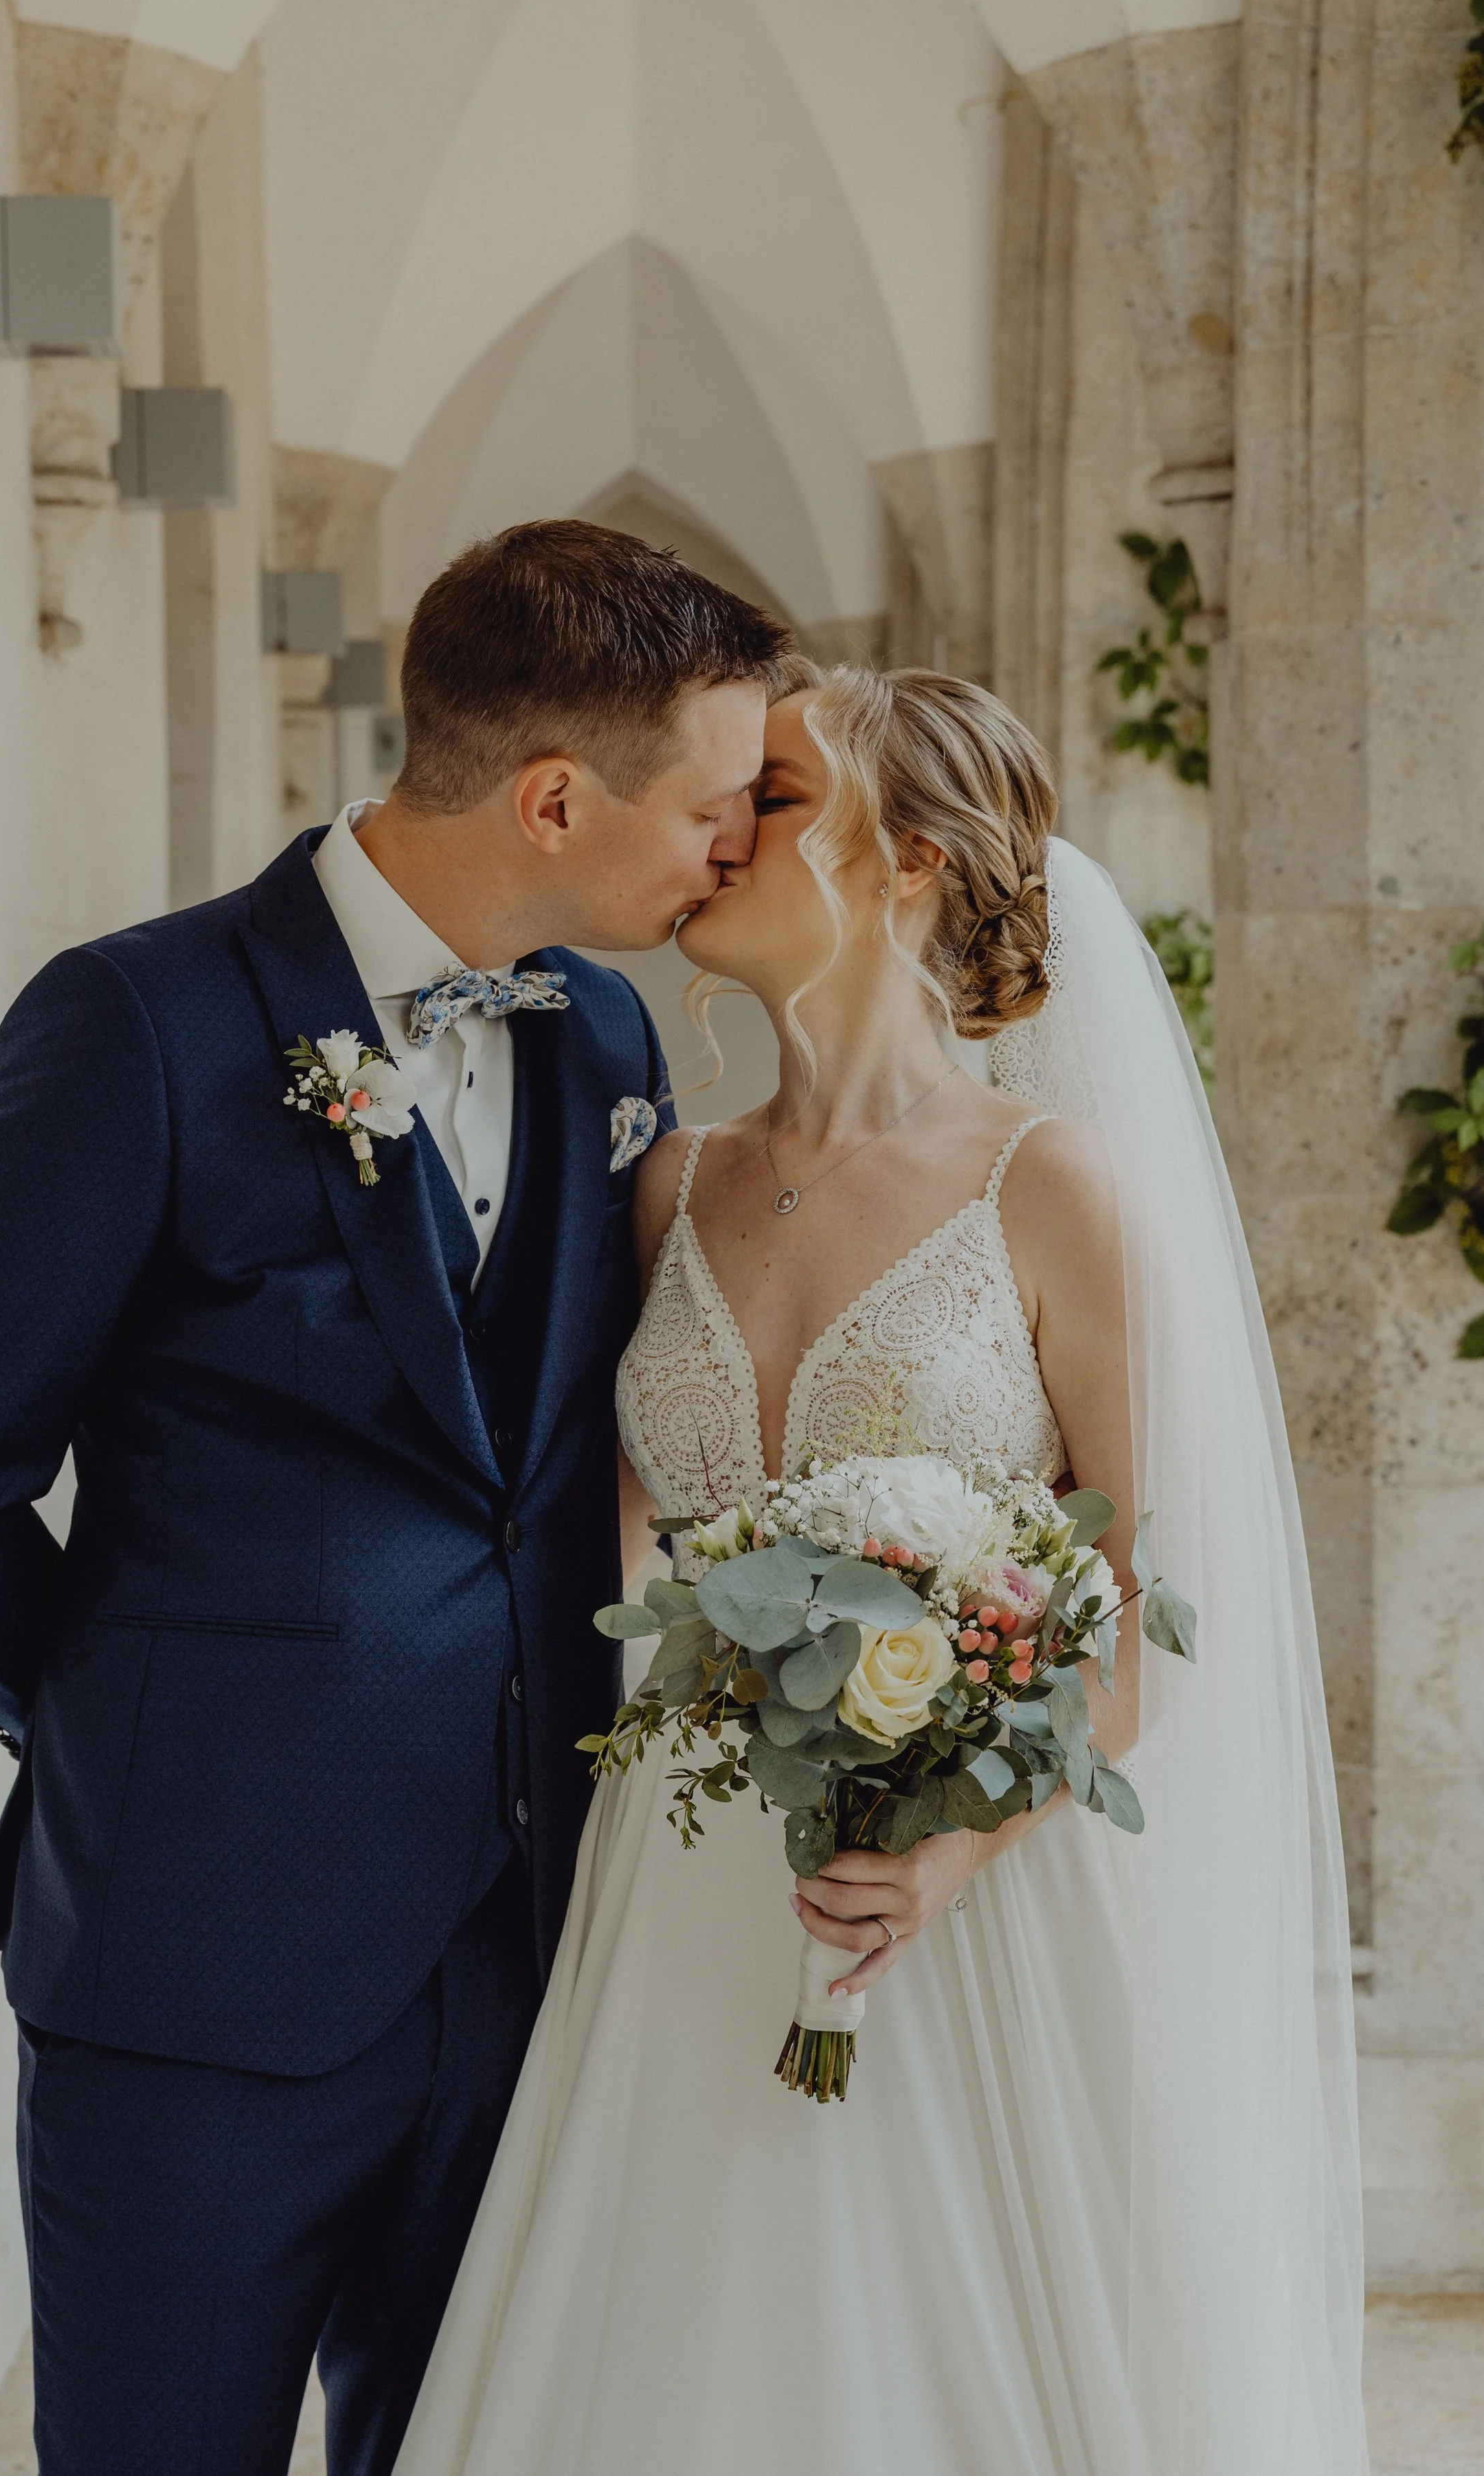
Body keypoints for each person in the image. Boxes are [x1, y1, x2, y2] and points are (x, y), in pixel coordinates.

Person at [0, 523, 791, 2476]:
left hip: (531, 1951)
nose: (728, 844)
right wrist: (124, 1737)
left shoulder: (603, 1031)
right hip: (198, 1963)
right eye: (707, 801)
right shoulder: (138, 1026)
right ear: (550, 795)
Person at [394, 668, 1368, 2476]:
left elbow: (1153, 1597)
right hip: (674, 1896)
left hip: (952, 1917)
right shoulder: (668, 1184)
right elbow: (584, 1556)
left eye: (766, 796)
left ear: (903, 862)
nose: (714, 830)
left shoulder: (1050, 1186)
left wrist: (947, 1841)